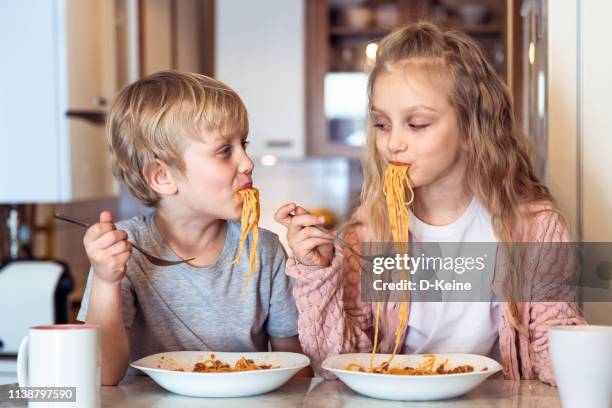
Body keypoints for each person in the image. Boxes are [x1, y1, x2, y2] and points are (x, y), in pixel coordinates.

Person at [275, 22, 585, 384]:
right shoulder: (368, 230)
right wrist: (316, 275)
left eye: (417, 124)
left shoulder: (535, 229)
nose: (393, 144)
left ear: (472, 128)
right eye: (382, 124)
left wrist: (578, 354)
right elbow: (335, 365)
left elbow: (552, 352)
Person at [77, 71, 307, 385]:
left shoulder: (264, 250)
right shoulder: (124, 250)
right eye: (225, 151)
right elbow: (103, 377)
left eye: (244, 144)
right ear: (162, 177)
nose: (247, 162)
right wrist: (106, 281)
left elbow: (295, 369)